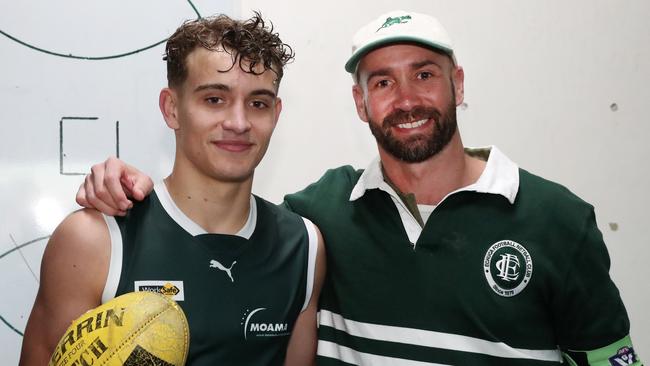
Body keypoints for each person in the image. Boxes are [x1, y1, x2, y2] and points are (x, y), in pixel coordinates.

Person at [73, 10, 642, 366]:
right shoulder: (321, 220)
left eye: (424, 73)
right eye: (382, 82)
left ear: (458, 84)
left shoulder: (558, 220)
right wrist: (125, 185)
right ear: (360, 102)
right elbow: (218, 210)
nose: (407, 98)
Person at [20, 13, 325, 366]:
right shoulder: (95, 240)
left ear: (276, 113)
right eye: (214, 99)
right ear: (172, 108)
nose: (239, 123)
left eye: (258, 103)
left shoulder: (304, 247)